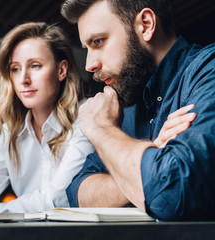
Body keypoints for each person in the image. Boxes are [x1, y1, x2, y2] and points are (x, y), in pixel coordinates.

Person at [61, 0, 215, 220]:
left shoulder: (208, 72)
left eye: (98, 41)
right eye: (88, 48)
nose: (89, 64)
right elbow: (78, 192)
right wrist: (152, 162)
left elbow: (173, 194)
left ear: (146, 24)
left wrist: (102, 130)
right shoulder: (126, 100)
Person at [0, 22, 95, 213]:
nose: (24, 79)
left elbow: (58, 199)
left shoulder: (86, 118)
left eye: (35, 66)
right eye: (15, 68)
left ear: (61, 70)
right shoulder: (12, 133)